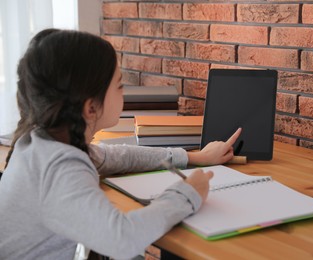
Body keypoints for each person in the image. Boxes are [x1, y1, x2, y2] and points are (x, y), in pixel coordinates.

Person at [0, 29, 241, 259]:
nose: (123, 92)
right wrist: (189, 193)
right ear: (91, 107)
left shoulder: (40, 142)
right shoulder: (60, 166)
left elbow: (115, 156)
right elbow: (122, 238)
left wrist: (194, 157)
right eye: (119, 85)